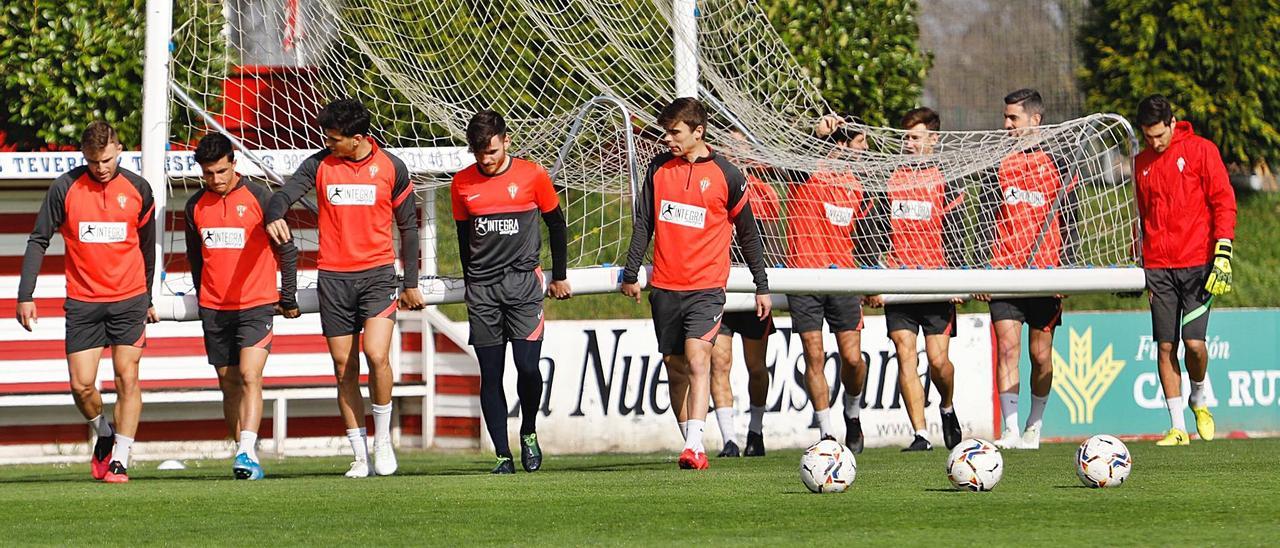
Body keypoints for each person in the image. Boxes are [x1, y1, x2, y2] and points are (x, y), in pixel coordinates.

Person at [264, 98, 426, 478]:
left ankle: (383, 441)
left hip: (378, 275)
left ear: (357, 139)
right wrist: (274, 215)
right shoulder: (319, 164)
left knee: (376, 355)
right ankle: (359, 454)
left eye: (334, 138)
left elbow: (408, 228)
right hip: (333, 279)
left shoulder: (391, 168)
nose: (327, 142)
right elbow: (284, 196)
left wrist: (412, 281)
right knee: (343, 368)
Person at [621, 98, 771, 470]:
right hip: (666, 286)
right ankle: (690, 439)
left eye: (674, 132)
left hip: (706, 287)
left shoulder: (727, 174)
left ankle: (695, 447)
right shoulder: (658, 168)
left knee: (698, 358)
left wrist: (761, 284)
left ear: (698, 132)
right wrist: (630, 272)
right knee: (675, 368)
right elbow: (644, 224)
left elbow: (749, 234)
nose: (667, 138)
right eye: (666, 131)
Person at [15, 121, 159, 483]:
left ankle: (120, 460)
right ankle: (105, 433)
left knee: (128, 377)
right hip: (83, 303)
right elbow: (38, 240)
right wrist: (25, 295)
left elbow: (146, 248)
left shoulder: (139, 189)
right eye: (94, 161)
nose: (101, 168)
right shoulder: (64, 188)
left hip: (129, 299)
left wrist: (148, 297)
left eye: (107, 160)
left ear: (119, 150)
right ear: (84, 156)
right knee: (81, 386)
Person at [451, 110, 571, 474]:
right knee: (491, 374)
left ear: (506, 140)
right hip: (484, 291)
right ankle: (503, 455)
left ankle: (529, 431)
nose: (485, 160)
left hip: (523, 285)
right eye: (478, 153)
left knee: (528, 368)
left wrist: (559, 275)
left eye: (490, 151)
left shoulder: (532, 175)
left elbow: (556, 224)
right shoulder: (461, 184)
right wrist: (473, 282)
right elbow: (462, 238)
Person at [185, 133, 301, 479]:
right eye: (208, 173)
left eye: (221, 171)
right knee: (229, 383)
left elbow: (288, 249)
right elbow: (195, 259)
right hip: (215, 309)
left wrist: (289, 297)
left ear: (234, 163)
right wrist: (202, 295)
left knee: (251, 376)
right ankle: (244, 458)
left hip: (256, 304)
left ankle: (247, 451)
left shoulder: (259, 197)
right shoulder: (194, 206)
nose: (215, 180)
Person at [974, 88, 1080, 450]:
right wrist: (982, 267)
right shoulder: (995, 163)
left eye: (1013, 118)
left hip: (1045, 274)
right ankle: (1010, 429)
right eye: (1005, 117)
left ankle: (1035, 425)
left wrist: (1067, 266)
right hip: (1004, 272)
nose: (1006, 125)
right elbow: (984, 220)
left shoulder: (1059, 164)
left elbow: (1071, 220)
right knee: (1007, 349)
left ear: (1035, 120)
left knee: (1040, 355)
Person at [1133, 94, 1236, 446]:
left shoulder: (1201, 150)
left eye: (1160, 136)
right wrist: (1139, 261)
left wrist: (1223, 249)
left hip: (1199, 265)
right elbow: (1143, 216)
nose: (1155, 143)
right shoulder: (1141, 163)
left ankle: (1199, 398)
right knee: (1165, 347)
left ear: (1173, 123)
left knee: (1193, 344)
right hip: (1159, 268)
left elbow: (1223, 200)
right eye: (1148, 137)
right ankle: (1177, 427)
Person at [864, 107, 964, 452]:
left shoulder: (947, 179)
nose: (907, 144)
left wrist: (957, 282)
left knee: (939, 363)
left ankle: (947, 406)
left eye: (914, 137)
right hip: (898, 284)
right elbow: (874, 233)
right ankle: (921, 434)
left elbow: (959, 234)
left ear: (933, 139)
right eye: (905, 137)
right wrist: (876, 281)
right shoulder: (890, 178)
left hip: (936, 284)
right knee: (906, 354)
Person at [783, 121, 872, 452]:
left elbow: (864, 236)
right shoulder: (805, 171)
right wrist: (816, 134)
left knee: (852, 358)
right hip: (803, 276)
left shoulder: (856, 184)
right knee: (814, 354)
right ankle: (826, 433)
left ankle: (852, 414)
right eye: (859, 142)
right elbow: (799, 153)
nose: (863, 150)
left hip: (843, 279)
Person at [708, 129, 781, 458]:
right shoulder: (714, 186)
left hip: (752, 293)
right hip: (719, 288)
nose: (735, 154)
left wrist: (764, 282)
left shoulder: (764, 193)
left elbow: (768, 242)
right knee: (719, 362)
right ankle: (729, 439)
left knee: (756, 365)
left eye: (741, 147)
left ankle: (756, 431)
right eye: (729, 147)